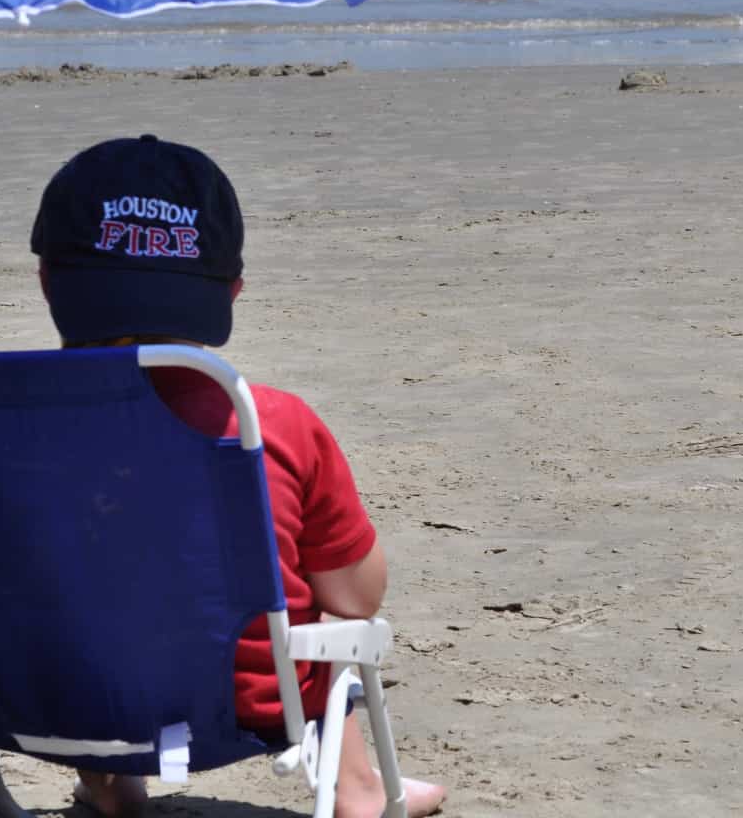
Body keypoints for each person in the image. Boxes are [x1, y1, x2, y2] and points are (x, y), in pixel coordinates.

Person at [27, 134, 447, 818]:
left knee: (60, 580)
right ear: (231, 289)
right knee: (306, 599)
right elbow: (357, 597)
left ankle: (109, 778)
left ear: (47, 280)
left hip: (43, 697)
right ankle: (357, 786)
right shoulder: (271, 424)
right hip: (243, 704)